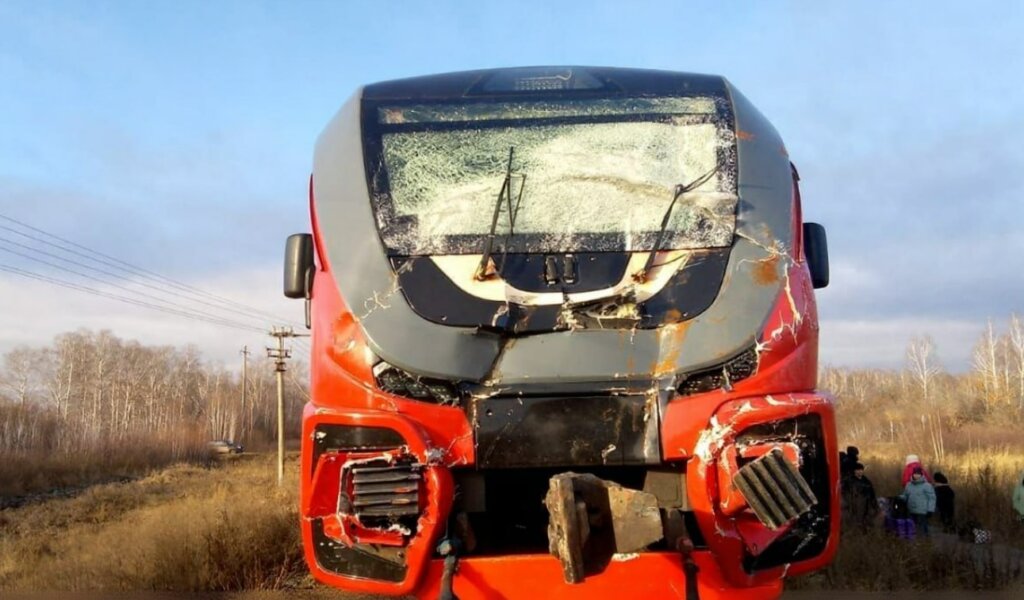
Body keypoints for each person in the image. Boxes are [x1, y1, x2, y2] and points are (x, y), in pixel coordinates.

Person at [842, 462, 878, 530]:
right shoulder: (849, 481)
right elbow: (845, 494)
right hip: (853, 506)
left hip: (865, 506)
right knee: (854, 524)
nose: (860, 471)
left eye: (861, 469)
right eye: (858, 470)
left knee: (865, 523)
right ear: (854, 471)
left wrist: (874, 504)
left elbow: (872, 494)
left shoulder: (866, 481)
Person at [901, 466, 936, 536]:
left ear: (921, 475)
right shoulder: (908, 485)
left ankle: (925, 540)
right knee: (912, 529)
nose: (916, 475)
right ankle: (914, 540)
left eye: (918, 474)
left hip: (922, 511)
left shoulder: (927, 485)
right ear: (912, 474)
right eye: (915, 473)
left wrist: (930, 510)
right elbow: (905, 495)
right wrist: (899, 498)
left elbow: (932, 498)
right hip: (911, 510)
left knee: (923, 529)